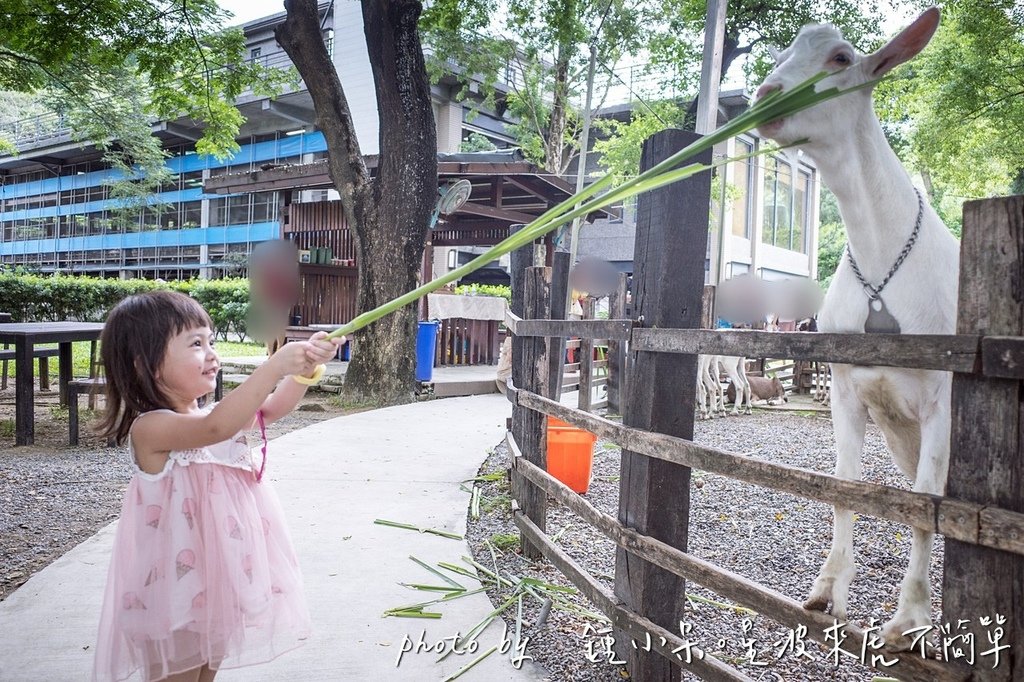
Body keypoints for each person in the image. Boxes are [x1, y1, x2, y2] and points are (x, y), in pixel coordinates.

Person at [92, 290, 342, 682]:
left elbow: (271, 410)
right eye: (195, 344)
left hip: (216, 584)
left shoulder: (211, 415)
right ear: (147, 366)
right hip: (172, 592)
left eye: (210, 341)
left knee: (207, 669)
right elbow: (216, 428)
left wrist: (303, 370)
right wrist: (272, 366)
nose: (212, 353)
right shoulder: (152, 428)